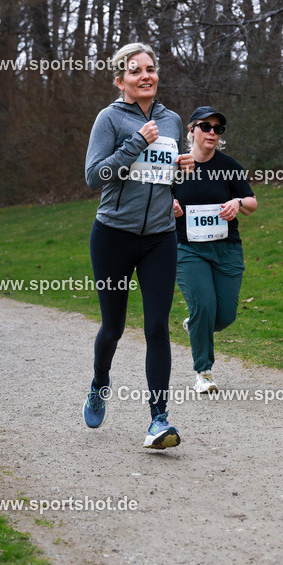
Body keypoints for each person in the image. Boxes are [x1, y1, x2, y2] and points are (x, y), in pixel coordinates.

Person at [82, 42, 193, 449]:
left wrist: (181, 173)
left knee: (157, 326)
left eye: (150, 69)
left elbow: (161, 177)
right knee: (113, 327)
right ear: (120, 80)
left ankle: (158, 420)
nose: (146, 75)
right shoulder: (109, 119)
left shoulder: (172, 120)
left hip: (160, 238)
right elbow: (94, 176)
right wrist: (135, 144)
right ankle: (99, 383)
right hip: (113, 235)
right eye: (135, 70)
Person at [171, 107, 257, 394]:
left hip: (226, 249)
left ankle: (195, 324)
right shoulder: (177, 166)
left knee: (225, 316)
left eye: (217, 129)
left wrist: (237, 203)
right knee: (203, 305)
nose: (211, 132)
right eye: (205, 127)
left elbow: (251, 203)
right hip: (188, 249)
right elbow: (157, 198)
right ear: (191, 131)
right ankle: (204, 373)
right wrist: (170, 206)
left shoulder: (228, 166)